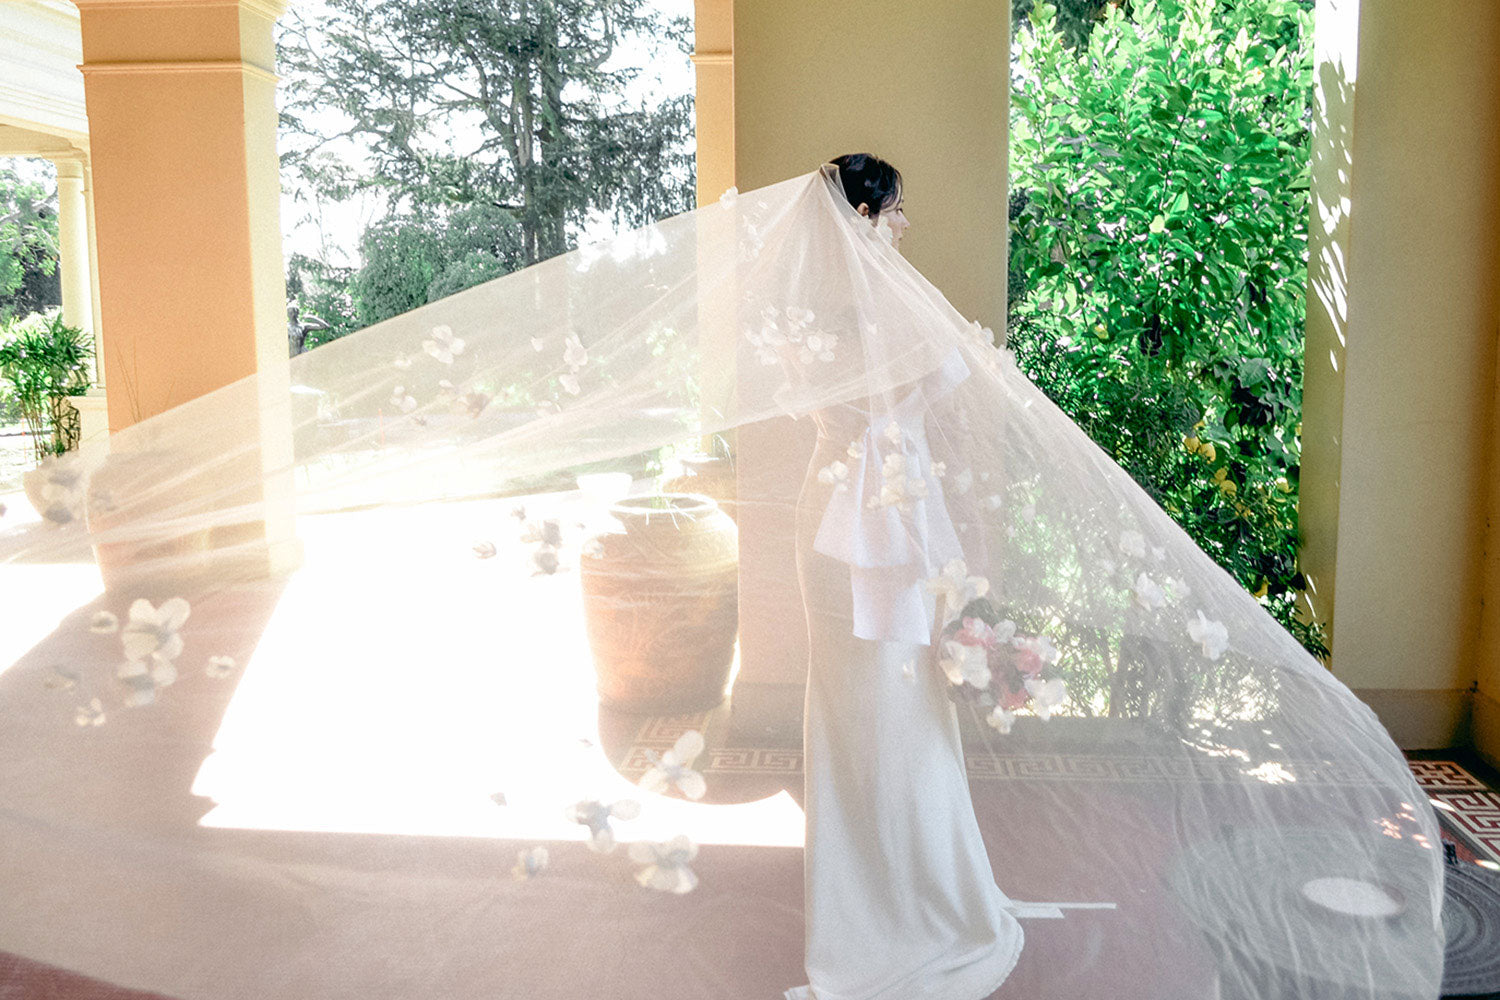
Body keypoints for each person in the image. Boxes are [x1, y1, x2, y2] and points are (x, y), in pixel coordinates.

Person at [782, 154, 1025, 1000]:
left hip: (838, 522)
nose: (906, 226)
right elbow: (952, 402)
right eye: (894, 212)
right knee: (889, 722)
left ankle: (880, 902)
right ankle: (904, 915)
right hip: (870, 528)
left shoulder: (805, 317)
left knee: (874, 722)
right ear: (862, 216)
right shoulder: (892, 315)